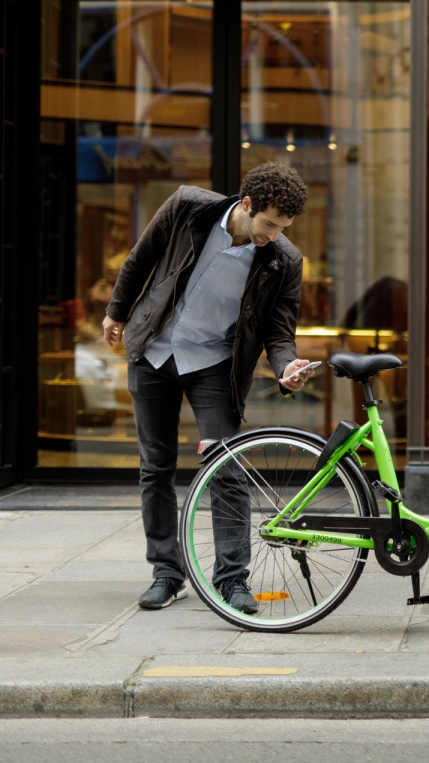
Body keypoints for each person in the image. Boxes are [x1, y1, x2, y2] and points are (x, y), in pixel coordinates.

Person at [102, 162, 317, 614]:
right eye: (269, 223)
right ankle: (166, 573)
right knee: (155, 468)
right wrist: (117, 313)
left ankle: (233, 580)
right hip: (155, 351)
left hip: (214, 366)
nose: (274, 235)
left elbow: (279, 333)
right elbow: (141, 258)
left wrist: (286, 367)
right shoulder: (187, 207)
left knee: (228, 469)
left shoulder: (284, 261)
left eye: (283, 228)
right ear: (247, 205)